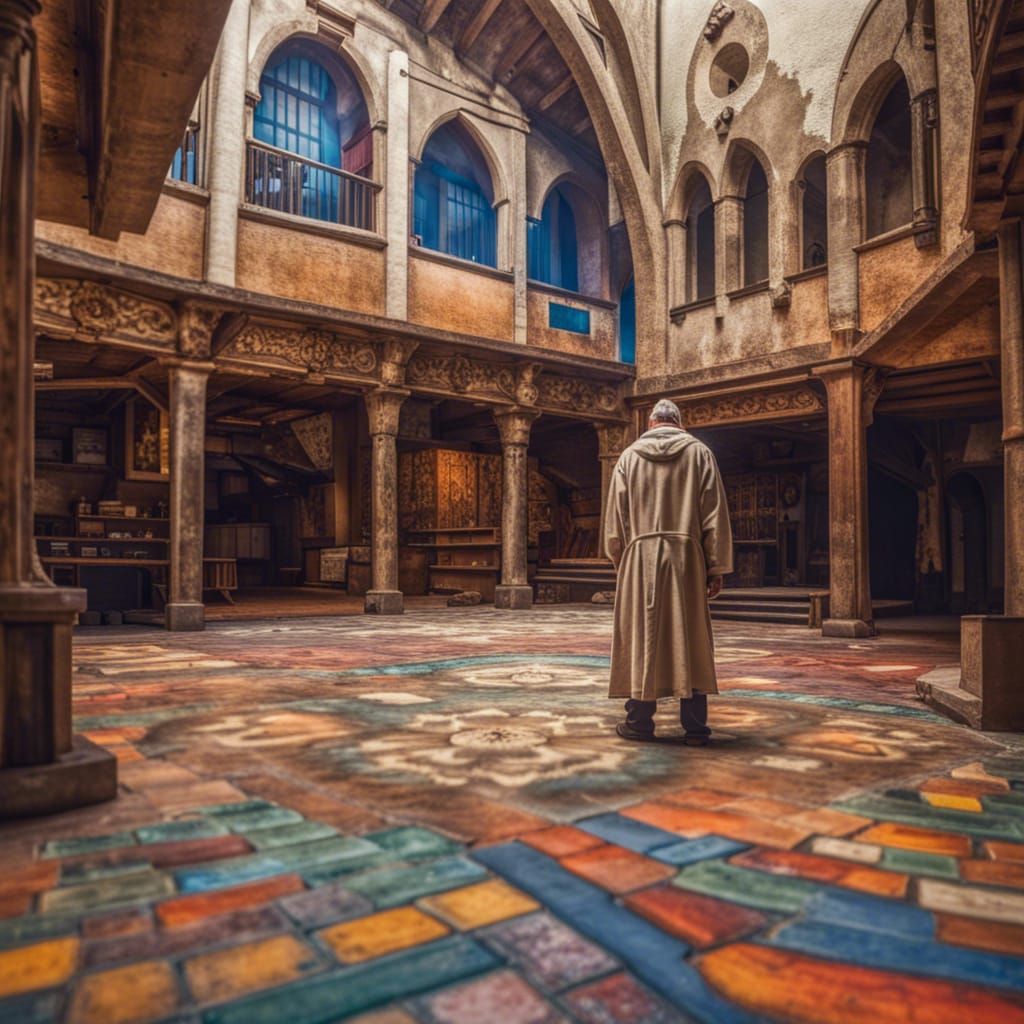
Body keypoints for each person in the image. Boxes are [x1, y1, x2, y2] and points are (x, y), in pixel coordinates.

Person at [604, 398, 733, 745]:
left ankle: (640, 722)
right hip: (686, 557)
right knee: (689, 636)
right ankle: (695, 727)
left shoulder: (628, 457)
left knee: (641, 635)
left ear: (650, 424)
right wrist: (715, 567)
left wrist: (622, 562)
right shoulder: (700, 453)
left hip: (640, 555)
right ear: (679, 423)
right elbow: (713, 513)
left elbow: (616, 522)